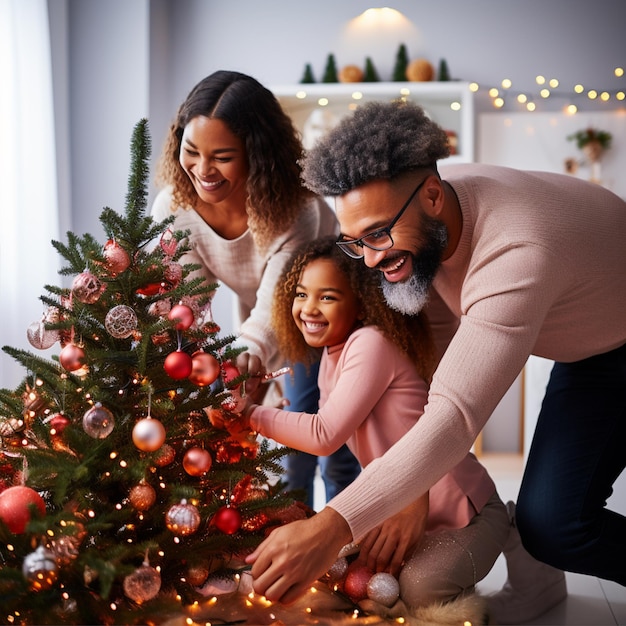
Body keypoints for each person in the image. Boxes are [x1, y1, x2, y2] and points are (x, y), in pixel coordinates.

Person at [245, 100, 626, 623]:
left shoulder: (516, 253)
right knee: (546, 523)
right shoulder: (431, 216)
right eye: (356, 243)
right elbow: (429, 374)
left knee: (561, 527)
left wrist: (333, 526)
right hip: (588, 347)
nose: (373, 260)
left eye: (379, 234)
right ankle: (534, 557)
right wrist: (410, 491)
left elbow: (453, 415)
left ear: (430, 194)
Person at [239, 235, 508, 609]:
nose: (309, 309)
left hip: (467, 514)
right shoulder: (332, 357)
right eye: (301, 294)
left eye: (327, 297)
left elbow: (324, 435)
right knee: (352, 581)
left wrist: (249, 416)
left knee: (419, 589)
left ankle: (512, 527)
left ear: (362, 304)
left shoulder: (370, 343)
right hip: (399, 508)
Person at [152, 70, 360, 509]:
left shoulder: (297, 208)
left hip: (326, 317)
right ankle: (292, 533)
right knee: (277, 447)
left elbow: (281, 295)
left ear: (257, 155)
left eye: (222, 156)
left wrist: (251, 352)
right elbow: (188, 303)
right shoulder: (175, 207)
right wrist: (213, 365)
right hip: (261, 318)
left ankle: (346, 542)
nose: (203, 171)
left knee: (320, 434)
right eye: (191, 152)